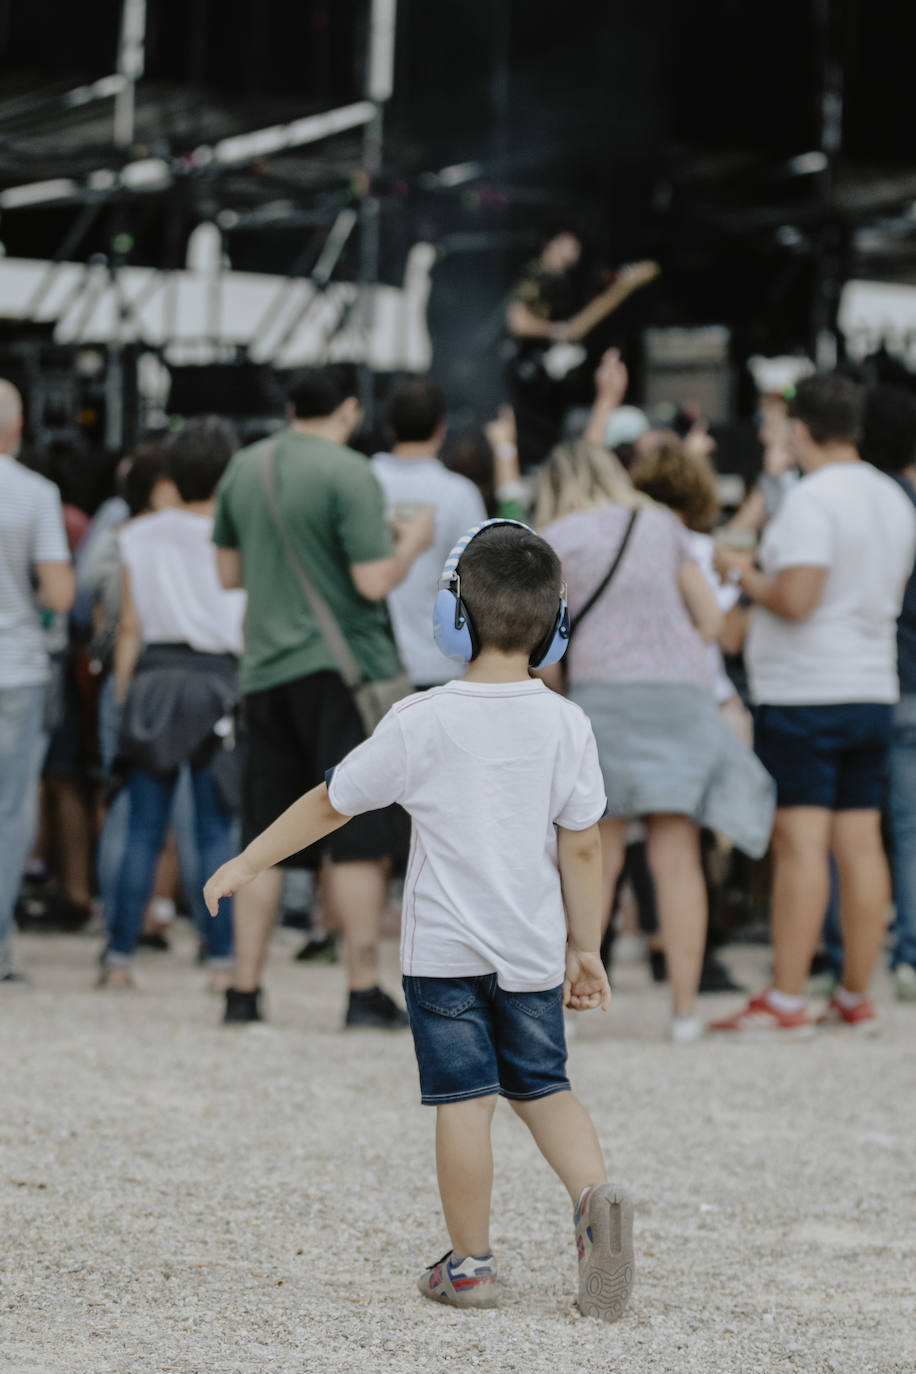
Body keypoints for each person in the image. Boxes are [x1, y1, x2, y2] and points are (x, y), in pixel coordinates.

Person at [203, 520, 634, 1321]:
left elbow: (330, 803)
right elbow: (582, 849)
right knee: (545, 1089)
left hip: (443, 959)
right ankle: (594, 1203)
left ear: (452, 619)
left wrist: (250, 862)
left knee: (464, 1103)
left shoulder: (420, 719)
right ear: (555, 626)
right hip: (534, 951)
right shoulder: (567, 724)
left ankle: (468, 1267)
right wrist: (587, 947)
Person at [536, 424, 774, 1042]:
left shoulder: (557, 540)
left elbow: (550, 650)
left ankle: (574, 1005)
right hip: (679, 697)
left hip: (602, 697)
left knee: (598, 853)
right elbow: (709, 618)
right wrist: (668, 656)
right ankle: (685, 1010)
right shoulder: (658, 525)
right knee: (677, 856)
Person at [212, 366, 434, 1027]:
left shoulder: (244, 470)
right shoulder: (348, 474)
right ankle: (361, 987)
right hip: (341, 670)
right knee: (356, 829)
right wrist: (411, 545)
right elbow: (370, 583)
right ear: (349, 409)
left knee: (263, 830)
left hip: (265, 666)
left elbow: (229, 573)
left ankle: (244, 990)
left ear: (287, 406)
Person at [711, 373, 916, 1035]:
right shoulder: (893, 497)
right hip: (871, 684)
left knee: (800, 843)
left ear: (802, 429)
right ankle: (855, 993)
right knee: (861, 842)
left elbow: (797, 598)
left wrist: (741, 574)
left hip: (806, 690)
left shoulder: (810, 500)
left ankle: (788, 996)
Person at [99, 417, 246, 988]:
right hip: (218, 681)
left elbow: (128, 625)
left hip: (154, 678)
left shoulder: (139, 533)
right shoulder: (239, 534)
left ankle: (118, 958)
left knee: (142, 827)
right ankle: (221, 960)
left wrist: (121, 696)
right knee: (214, 831)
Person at [0, 379, 74, 982]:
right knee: (8, 811)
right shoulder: (34, 493)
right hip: (16, 668)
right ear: (19, 427)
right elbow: (59, 591)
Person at [370, 378, 486, 689]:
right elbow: (478, 583)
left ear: (389, 428)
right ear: (441, 429)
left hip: (370, 666)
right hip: (440, 664)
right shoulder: (460, 493)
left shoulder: (361, 482)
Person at [858, 383, 916, 1001]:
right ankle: (908, 957)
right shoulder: (907, 503)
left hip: (875, 675)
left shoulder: (861, 503)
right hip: (904, 681)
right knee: (906, 828)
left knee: (848, 825)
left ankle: (841, 954)